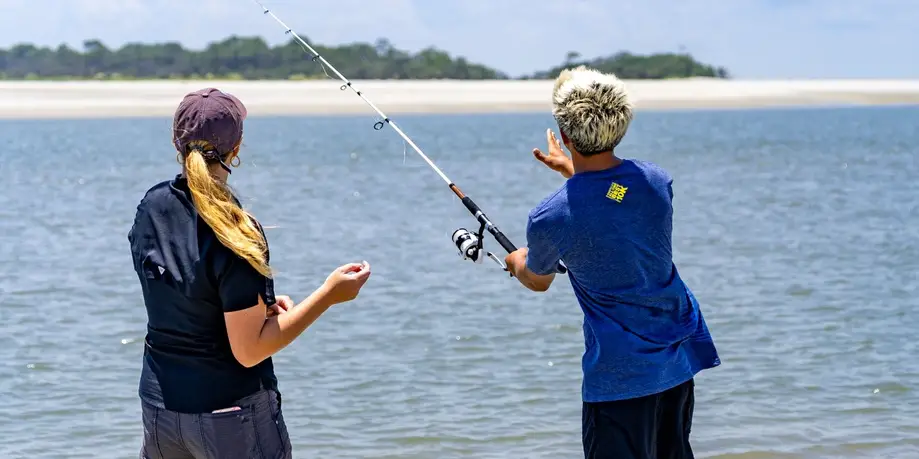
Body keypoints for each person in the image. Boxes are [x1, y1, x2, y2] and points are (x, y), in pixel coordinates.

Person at [128, 87, 372, 459]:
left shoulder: (151, 206)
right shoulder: (236, 231)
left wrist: (259, 307)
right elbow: (249, 351)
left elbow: (183, 292)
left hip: (160, 411)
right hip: (229, 416)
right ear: (236, 149)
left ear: (177, 143)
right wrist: (329, 295)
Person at [503, 66, 721, 459]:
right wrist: (575, 172)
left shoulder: (551, 217)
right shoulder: (655, 181)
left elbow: (538, 280)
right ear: (621, 126)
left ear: (565, 135)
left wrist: (516, 259)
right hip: (676, 359)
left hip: (621, 377)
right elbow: (615, 198)